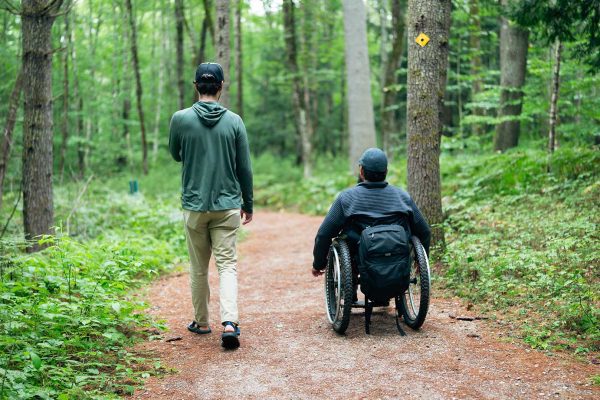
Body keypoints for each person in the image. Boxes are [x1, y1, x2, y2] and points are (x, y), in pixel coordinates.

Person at [169, 62, 253, 349]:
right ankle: (229, 323)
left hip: (194, 205)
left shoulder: (180, 119)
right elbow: (245, 167)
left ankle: (202, 322)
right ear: (220, 86)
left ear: (196, 86)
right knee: (227, 265)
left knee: (198, 267)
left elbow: (175, 154)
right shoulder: (235, 122)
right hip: (228, 204)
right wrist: (248, 203)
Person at [311, 148, 431, 295]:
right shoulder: (402, 197)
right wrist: (421, 260)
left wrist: (319, 264)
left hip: (359, 255)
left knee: (343, 240)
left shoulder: (347, 198)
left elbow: (324, 234)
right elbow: (424, 231)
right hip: (396, 252)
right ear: (386, 171)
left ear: (361, 172)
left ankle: (351, 285)